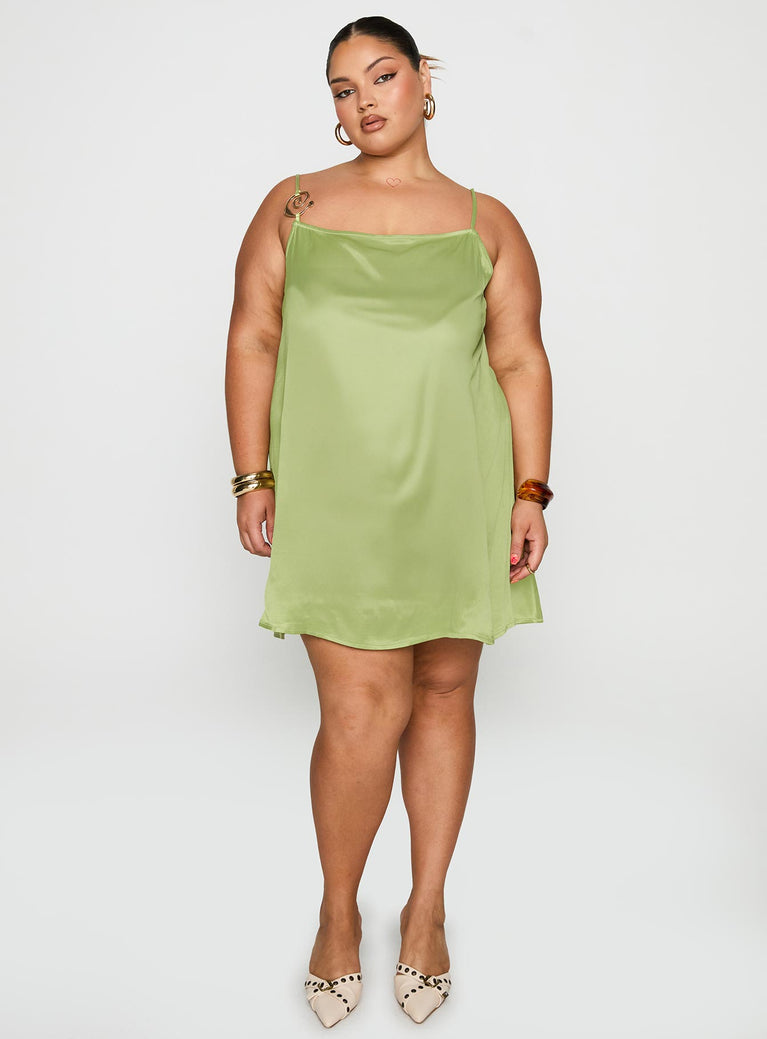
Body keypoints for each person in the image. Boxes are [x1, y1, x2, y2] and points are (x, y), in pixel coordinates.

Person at [224, 15, 553, 1028]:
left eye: (380, 75)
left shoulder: (485, 222)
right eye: (340, 87)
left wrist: (529, 490)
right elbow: (253, 335)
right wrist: (252, 475)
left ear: (422, 82)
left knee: (444, 691)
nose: (361, 100)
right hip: (337, 498)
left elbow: (518, 357)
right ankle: (337, 910)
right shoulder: (296, 205)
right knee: (361, 714)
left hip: (458, 491)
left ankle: (426, 909)